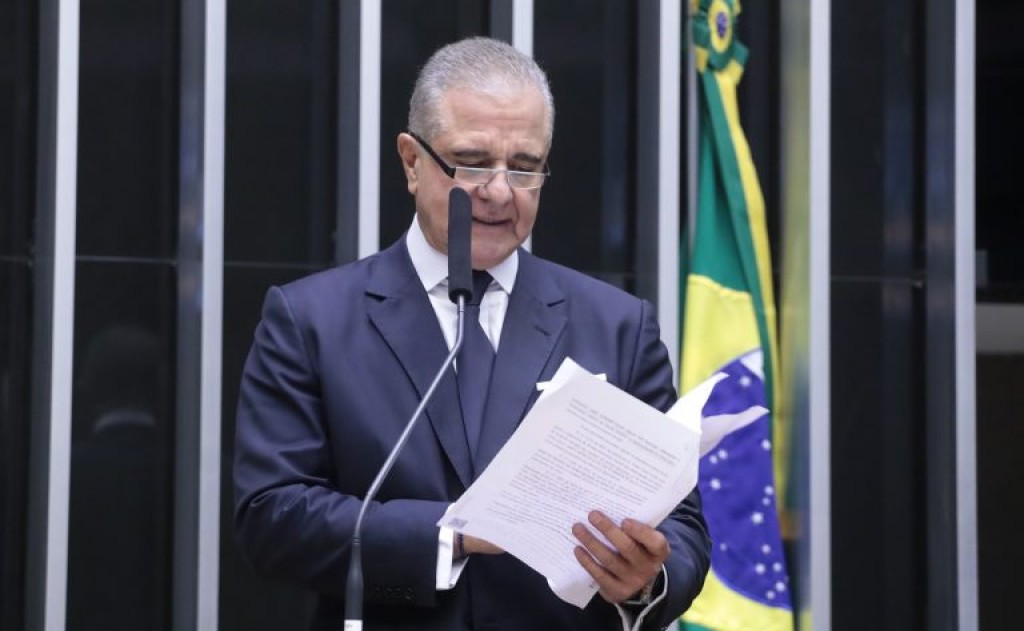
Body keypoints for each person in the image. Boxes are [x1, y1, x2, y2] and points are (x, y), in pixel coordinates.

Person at [234, 36, 710, 631]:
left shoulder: (617, 325)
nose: (499, 191)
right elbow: (272, 517)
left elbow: (683, 527)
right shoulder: (312, 320)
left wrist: (647, 581)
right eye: (472, 162)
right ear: (411, 162)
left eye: (525, 168)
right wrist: (451, 535)